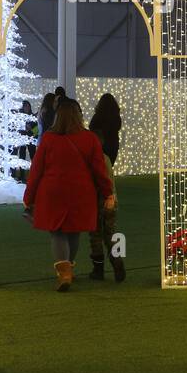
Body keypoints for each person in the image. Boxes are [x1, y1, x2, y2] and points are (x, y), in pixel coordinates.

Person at [23, 98, 113, 291]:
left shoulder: (48, 138)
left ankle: (64, 272)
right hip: (81, 192)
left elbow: (36, 170)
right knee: (74, 230)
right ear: (78, 116)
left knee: (57, 231)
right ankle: (67, 269)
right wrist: (108, 193)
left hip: (53, 191)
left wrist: (28, 197)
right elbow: (100, 170)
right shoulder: (90, 139)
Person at [87, 92, 125, 282]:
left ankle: (98, 269)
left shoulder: (94, 158)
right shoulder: (116, 121)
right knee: (112, 231)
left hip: (97, 197)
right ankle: (119, 263)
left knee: (95, 233)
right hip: (112, 198)